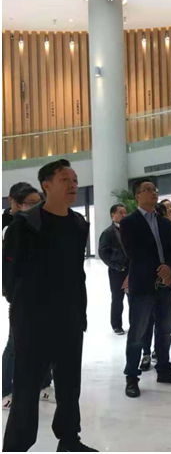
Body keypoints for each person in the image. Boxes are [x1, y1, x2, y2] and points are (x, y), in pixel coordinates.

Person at [2, 159, 97, 452]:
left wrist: (79, 312)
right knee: (27, 388)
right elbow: (9, 277)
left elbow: (77, 274)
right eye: (65, 180)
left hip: (69, 318)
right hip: (33, 321)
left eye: (75, 180)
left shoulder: (78, 224)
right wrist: (24, 312)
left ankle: (69, 440)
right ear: (46, 186)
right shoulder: (24, 225)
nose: (73, 185)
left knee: (69, 385)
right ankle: (16, 446)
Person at [120, 180, 171, 398]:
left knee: (165, 330)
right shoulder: (129, 223)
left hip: (165, 286)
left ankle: (164, 369)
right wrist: (160, 270)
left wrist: (169, 268)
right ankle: (132, 377)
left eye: (154, 190)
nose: (153, 193)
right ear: (137, 196)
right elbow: (134, 253)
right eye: (147, 190)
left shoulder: (165, 223)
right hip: (143, 285)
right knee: (137, 333)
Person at [2, 186, 56, 412]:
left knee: (46, 341)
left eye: (38, 202)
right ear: (17, 204)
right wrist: (13, 294)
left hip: (47, 294)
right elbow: (8, 268)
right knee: (15, 344)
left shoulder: (44, 226)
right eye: (30, 202)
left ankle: (44, 384)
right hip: (23, 297)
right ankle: (6, 390)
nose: (36, 206)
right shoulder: (12, 229)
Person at [98, 204, 129, 335]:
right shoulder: (108, 233)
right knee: (117, 298)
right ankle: (116, 325)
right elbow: (103, 253)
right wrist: (115, 265)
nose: (124, 215)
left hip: (131, 269)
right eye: (120, 212)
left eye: (125, 212)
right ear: (113, 214)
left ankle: (136, 323)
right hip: (117, 271)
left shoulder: (130, 230)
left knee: (134, 298)